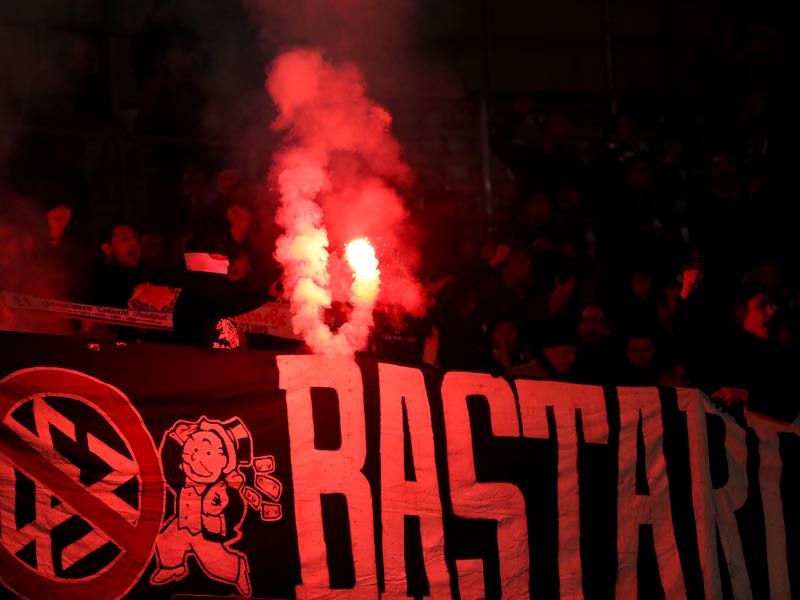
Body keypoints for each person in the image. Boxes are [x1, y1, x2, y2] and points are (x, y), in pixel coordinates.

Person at [171, 234, 272, 349]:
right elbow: (228, 302)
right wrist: (268, 292)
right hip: (195, 364)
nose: (226, 264)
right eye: (218, 258)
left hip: (218, 364)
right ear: (200, 260)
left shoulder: (215, 292)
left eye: (226, 258)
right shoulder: (195, 295)